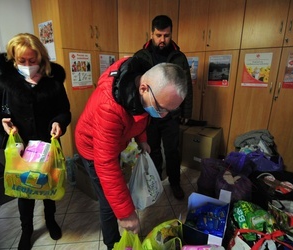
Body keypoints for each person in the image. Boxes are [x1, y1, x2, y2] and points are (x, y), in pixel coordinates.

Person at [74, 56, 188, 250]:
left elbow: (140, 115)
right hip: (92, 149)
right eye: (160, 108)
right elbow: (106, 163)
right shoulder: (109, 106)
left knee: (115, 192)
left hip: (114, 143)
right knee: (108, 201)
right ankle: (112, 243)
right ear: (143, 88)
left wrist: (141, 139)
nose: (162, 115)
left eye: (170, 110)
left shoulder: (142, 86)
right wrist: (126, 214)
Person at [0, 33, 71, 250]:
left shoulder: (53, 78)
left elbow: (64, 110)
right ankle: (27, 229)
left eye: (33, 60)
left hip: (47, 144)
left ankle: (50, 219)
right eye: (22, 61)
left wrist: (59, 122)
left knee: (49, 186)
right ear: (13, 59)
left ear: (41, 58)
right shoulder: (3, 77)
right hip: (20, 145)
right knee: (24, 190)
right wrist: (0, 120)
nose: (28, 65)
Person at [133, 15, 193, 200]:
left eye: (166, 35)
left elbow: (186, 86)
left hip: (171, 114)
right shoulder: (140, 56)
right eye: (158, 35)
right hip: (149, 115)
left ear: (171, 34)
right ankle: (156, 180)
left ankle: (175, 182)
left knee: (172, 150)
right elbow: (136, 86)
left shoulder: (179, 57)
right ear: (151, 33)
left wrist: (187, 112)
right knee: (153, 150)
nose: (162, 40)